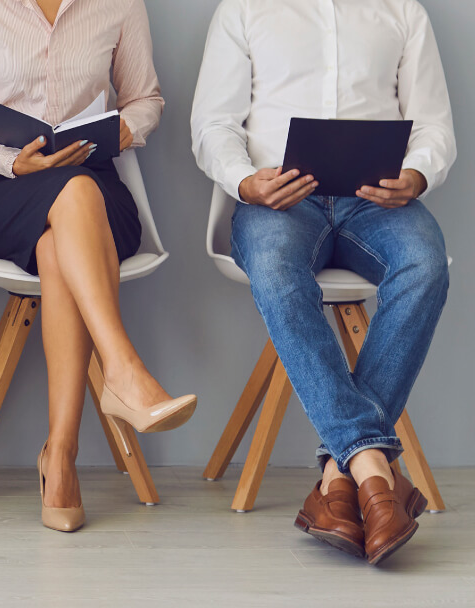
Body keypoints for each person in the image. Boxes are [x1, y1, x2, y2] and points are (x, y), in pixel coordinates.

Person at [191, 0, 454, 564]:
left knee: (425, 265)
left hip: (374, 202)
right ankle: (373, 470)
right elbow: (213, 124)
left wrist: (417, 174)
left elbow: (434, 124)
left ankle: (342, 473)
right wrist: (246, 182)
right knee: (277, 274)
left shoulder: (402, 11)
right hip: (279, 202)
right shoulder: (244, 10)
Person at [0, 0, 196, 533]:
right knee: (68, 206)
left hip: (95, 188)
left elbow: (145, 99)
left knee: (61, 237)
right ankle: (122, 371)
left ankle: (60, 454)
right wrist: (12, 161)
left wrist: (122, 131)